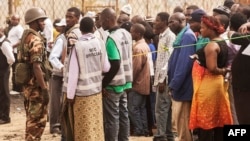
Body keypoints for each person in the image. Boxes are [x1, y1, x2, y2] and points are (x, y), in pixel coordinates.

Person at [66, 16, 110, 141]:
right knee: (95, 125)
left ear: (80, 29)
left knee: (83, 127)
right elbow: (106, 67)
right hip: (96, 91)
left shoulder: (78, 46)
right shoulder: (100, 43)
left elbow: (73, 73)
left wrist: (70, 95)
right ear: (93, 28)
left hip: (82, 94)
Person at [189, 15, 232, 141]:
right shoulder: (221, 41)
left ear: (211, 28)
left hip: (209, 87)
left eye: (202, 28)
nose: (200, 30)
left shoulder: (212, 46)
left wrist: (223, 71)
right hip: (216, 85)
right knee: (217, 120)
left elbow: (212, 68)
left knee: (206, 120)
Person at [100, 7, 133, 141]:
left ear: (108, 20)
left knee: (112, 119)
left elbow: (115, 64)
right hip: (125, 83)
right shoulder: (126, 34)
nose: (100, 24)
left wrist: (103, 84)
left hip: (113, 85)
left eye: (102, 20)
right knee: (123, 115)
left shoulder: (111, 39)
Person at [21, 7, 50, 140]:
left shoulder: (26, 36)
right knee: (37, 122)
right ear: (36, 21)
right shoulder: (35, 40)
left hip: (27, 87)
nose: (44, 23)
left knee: (31, 120)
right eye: (42, 20)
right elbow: (37, 67)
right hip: (36, 88)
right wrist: (44, 89)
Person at [168, 12, 196, 141]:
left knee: (182, 121)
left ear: (182, 20)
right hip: (179, 86)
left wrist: (174, 84)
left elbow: (184, 64)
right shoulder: (181, 36)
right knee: (178, 123)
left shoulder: (187, 37)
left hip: (183, 87)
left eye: (172, 22)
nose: (169, 25)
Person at [152, 12, 176, 141]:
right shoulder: (161, 36)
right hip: (161, 78)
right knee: (164, 108)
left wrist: (162, 80)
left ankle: (161, 135)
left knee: (161, 108)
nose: (155, 22)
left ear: (165, 22)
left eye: (157, 20)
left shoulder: (170, 37)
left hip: (165, 79)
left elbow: (169, 59)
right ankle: (168, 135)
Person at [61, 7, 82, 141]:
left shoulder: (73, 34)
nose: (68, 19)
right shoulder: (78, 32)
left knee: (66, 115)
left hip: (71, 82)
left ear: (77, 18)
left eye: (71, 17)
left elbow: (70, 61)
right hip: (78, 82)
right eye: (67, 16)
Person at [128, 23, 150, 136]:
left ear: (138, 33)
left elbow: (135, 68)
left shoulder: (138, 48)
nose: (130, 33)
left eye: (132, 31)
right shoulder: (144, 45)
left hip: (137, 83)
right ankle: (144, 130)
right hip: (144, 83)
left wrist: (129, 82)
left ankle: (139, 130)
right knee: (141, 108)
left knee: (133, 108)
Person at [228, 22, 250, 124]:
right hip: (241, 87)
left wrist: (243, 26)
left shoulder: (246, 40)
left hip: (245, 89)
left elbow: (232, 36)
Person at [48, 18, 67, 134]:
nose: (58, 28)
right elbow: (53, 57)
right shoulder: (62, 39)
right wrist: (61, 67)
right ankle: (54, 125)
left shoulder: (67, 38)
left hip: (64, 75)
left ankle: (61, 124)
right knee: (56, 100)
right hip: (58, 75)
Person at [0, 27, 15, 124]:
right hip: (1, 70)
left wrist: (5, 66)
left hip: (3, 71)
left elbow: (11, 59)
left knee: (4, 93)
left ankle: (5, 117)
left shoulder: (4, 43)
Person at [7, 14, 24, 95]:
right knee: (13, 69)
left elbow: (21, 40)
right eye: (12, 19)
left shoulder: (19, 29)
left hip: (16, 52)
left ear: (18, 20)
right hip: (12, 51)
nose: (13, 21)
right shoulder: (13, 28)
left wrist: (12, 45)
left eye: (15, 19)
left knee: (16, 69)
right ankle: (15, 87)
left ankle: (18, 89)